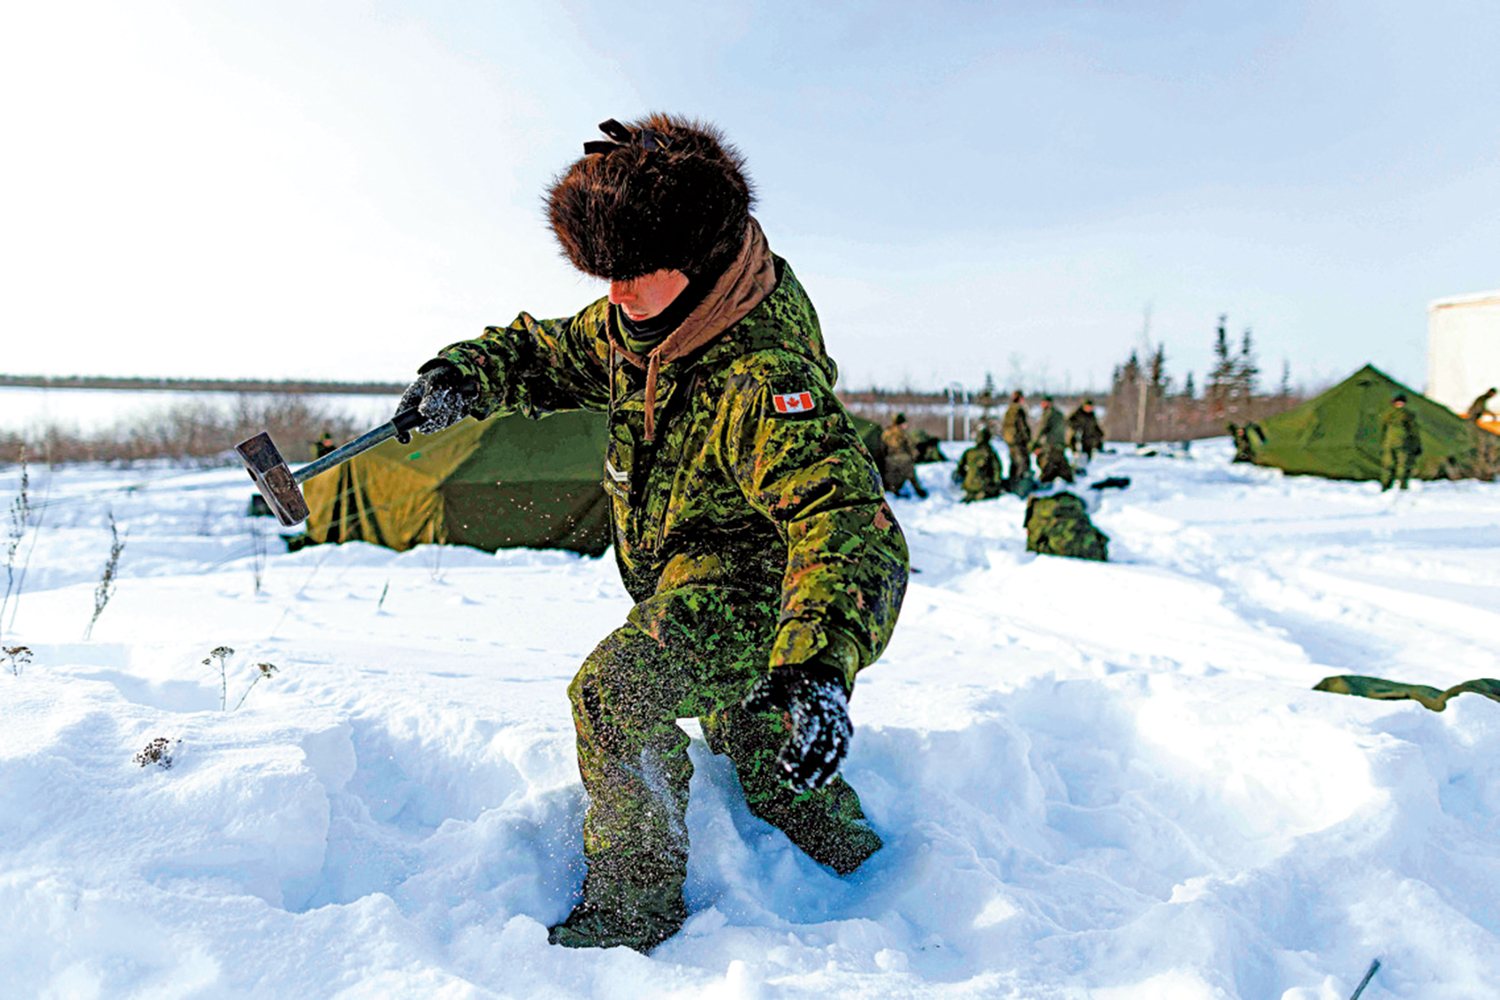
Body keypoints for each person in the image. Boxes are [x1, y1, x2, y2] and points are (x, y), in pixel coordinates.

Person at [394, 115, 908, 953]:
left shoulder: (761, 375)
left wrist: (817, 664)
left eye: (632, 274)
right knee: (764, 742)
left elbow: (845, 521)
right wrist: (461, 374)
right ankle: (843, 842)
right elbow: (549, 352)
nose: (614, 294)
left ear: (698, 260)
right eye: (604, 274)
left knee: (618, 695)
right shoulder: (644, 318)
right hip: (683, 573)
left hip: (764, 590)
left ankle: (635, 905)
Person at [1379, 394, 1422, 491]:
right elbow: (1414, 431)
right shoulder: (1408, 414)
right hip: (1400, 443)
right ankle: (1399, 485)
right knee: (1400, 465)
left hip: (1392, 443)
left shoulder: (1388, 413)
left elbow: (1382, 429)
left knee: (1391, 465)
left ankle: (1388, 485)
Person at [880, 413, 928, 498]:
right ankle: (919, 491)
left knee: (892, 478)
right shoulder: (903, 434)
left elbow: (882, 446)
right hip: (904, 460)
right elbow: (911, 447)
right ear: (901, 424)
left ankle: (893, 491)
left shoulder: (886, 432)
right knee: (911, 476)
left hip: (890, 460)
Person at [954, 424, 1004, 502]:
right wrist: (996, 484)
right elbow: (997, 469)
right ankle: (980, 494)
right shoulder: (990, 453)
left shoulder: (969, 452)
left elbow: (960, 469)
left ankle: (971, 494)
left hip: (968, 485)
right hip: (984, 485)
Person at [1032, 396, 1074, 485]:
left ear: (1048, 403)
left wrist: (1035, 445)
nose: (1042, 405)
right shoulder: (1059, 413)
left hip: (1051, 444)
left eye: (1043, 403)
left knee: (1048, 464)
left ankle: (1045, 482)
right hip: (1060, 444)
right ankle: (1068, 480)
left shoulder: (1048, 414)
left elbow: (1042, 430)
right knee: (1061, 463)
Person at [1000, 390, 1031, 490]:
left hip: (1009, 441)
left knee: (1013, 462)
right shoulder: (1019, 410)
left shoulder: (1009, 410)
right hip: (1018, 440)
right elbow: (1022, 426)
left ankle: (1011, 483)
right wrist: (1027, 439)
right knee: (1022, 463)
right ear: (1020, 398)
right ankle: (1021, 486)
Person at [1066, 399, 1105, 465]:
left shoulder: (1092, 415)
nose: (1089, 409)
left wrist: (1100, 433)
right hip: (1078, 438)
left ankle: (1085, 466)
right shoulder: (1077, 413)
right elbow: (1069, 422)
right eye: (1087, 407)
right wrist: (1076, 427)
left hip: (1088, 440)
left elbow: (1095, 426)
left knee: (1087, 456)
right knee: (1078, 455)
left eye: (1090, 407)